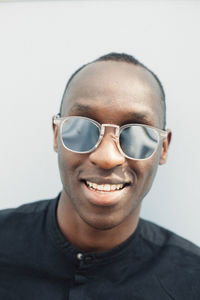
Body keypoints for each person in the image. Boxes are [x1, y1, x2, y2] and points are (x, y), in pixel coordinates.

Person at [0, 52, 199, 300]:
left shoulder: (192, 281)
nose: (107, 157)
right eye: (82, 128)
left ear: (164, 148)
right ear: (56, 135)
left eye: (137, 134)